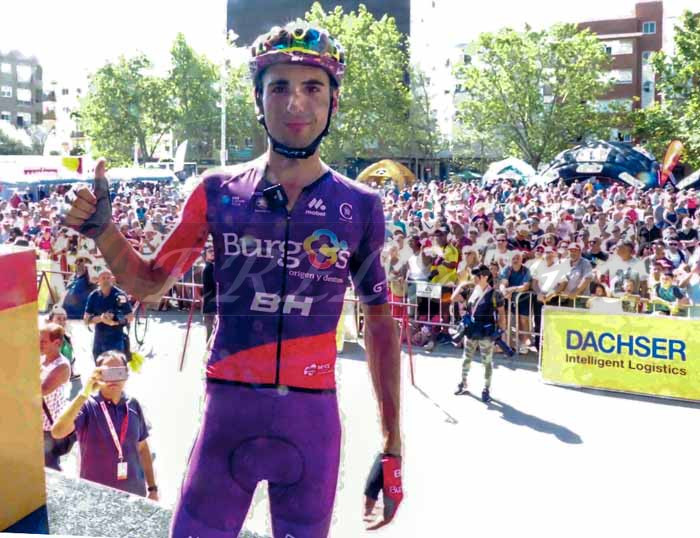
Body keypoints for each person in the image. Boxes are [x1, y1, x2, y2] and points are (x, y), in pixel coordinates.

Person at [64, 22, 402, 538]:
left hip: (312, 421)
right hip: (228, 411)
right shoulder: (218, 191)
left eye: (312, 87)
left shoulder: (360, 205)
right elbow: (151, 284)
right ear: (257, 99)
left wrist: (393, 447)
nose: (296, 103)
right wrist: (103, 231)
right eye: (279, 87)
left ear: (334, 101)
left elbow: (380, 325)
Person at [50, 351, 158, 500]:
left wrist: (152, 488)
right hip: (96, 497)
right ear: (98, 374)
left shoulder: (133, 404)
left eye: (118, 372)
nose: (113, 379)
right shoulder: (87, 406)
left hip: (133, 495)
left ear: (126, 374)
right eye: (107, 373)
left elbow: (142, 447)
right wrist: (84, 392)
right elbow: (57, 432)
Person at [452, 265, 506, 402]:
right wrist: (462, 284)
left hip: (486, 333)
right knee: (466, 359)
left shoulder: (495, 294)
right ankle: (463, 383)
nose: (474, 278)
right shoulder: (471, 291)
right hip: (471, 331)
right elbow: (453, 298)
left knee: (487, 362)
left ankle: (486, 388)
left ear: (485, 277)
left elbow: (501, 313)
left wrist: (501, 330)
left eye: (477, 275)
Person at [40, 323, 71, 470]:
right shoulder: (41, 360)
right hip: (36, 424)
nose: (39, 344)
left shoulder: (62, 366)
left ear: (57, 343)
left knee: (49, 467)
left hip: (49, 428)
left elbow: (42, 390)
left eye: (43, 341)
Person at [84, 270, 133, 361]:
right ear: (98, 280)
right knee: (99, 367)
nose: (106, 280)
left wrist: (115, 322)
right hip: (99, 340)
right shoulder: (93, 296)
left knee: (116, 366)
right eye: (103, 278)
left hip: (116, 340)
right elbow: (86, 319)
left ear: (112, 279)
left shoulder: (120, 295)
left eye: (108, 278)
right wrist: (101, 318)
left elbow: (130, 316)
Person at [201, 245, 217, 343]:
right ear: (205, 254)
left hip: (212, 303)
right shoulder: (208, 268)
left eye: (213, 251)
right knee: (210, 331)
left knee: (213, 331)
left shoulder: (213, 267)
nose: (213, 253)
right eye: (210, 251)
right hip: (210, 303)